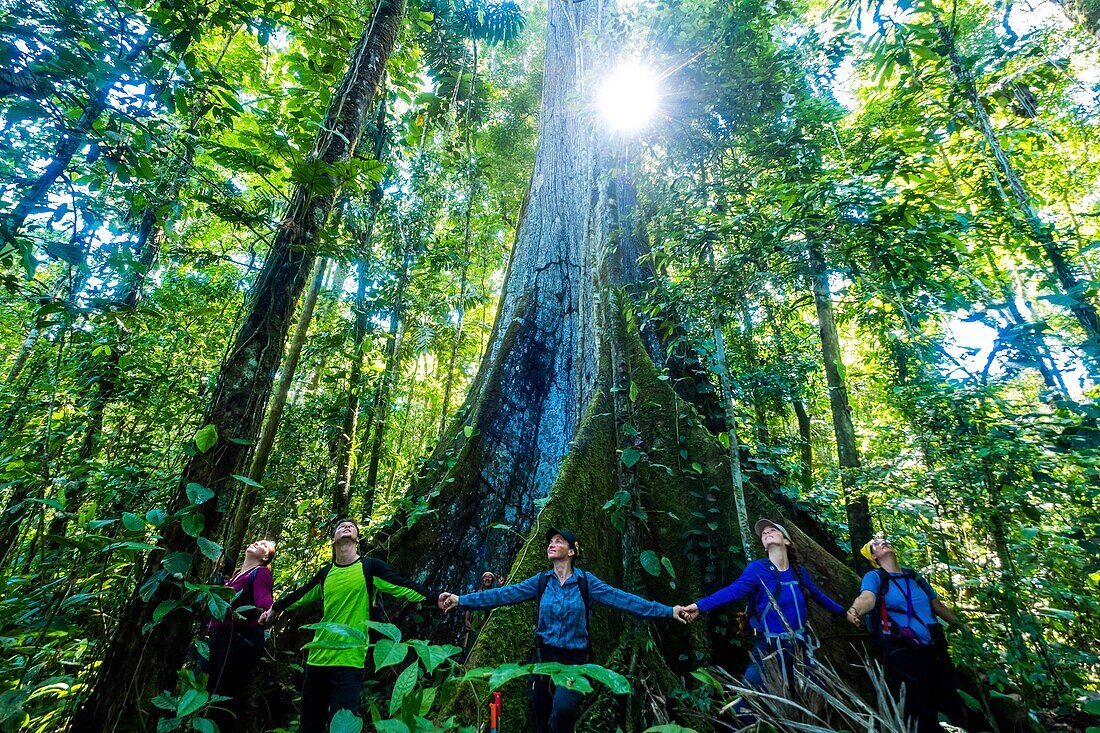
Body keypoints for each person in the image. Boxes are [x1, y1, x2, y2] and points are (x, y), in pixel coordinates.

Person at [439, 528, 689, 733]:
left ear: (571, 551)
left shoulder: (586, 583)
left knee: (561, 713)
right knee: (540, 722)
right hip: (541, 662)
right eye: (550, 541)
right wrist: (462, 600)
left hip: (573, 662)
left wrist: (668, 610)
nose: (551, 544)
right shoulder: (541, 581)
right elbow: (504, 594)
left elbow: (625, 600)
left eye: (558, 541)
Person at [259, 519, 439, 733]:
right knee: (309, 726)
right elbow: (301, 594)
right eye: (340, 526)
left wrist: (435, 598)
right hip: (318, 660)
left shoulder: (369, 568)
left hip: (349, 662)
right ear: (333, 539)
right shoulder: (325, 574)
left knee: (343, 728)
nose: (346, 526)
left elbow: (403, 586)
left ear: (357, 538)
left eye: (351, 526)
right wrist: (275, 608)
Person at [680, 519, 845, 696]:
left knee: (813, 695)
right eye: (763, 533)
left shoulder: (799, 571)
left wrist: (844, 613)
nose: (766, 533)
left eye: (772, 530)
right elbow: (733, 591)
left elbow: (818, 596)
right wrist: (699, 606)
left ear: (787, 541)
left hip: (800, 646)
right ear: (764, 546)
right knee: (748, 700)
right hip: (768, 648)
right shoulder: (757, 569)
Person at [845, 536, 967, 733]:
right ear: (874, 556)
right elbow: (867, 597)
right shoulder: (875, 577)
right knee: (920, 705)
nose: (882, 542)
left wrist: (962, 627)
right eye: (876, 544)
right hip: (903, 650)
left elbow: (937, 605)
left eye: (884, 540)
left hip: (936, 649)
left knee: (950, 701)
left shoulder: (914, 576)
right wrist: (854, 610)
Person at [199, 539, 275, 731]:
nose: (258, 542)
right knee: (206, 690)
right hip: (219, 637)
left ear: (265, 557)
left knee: (224, 697)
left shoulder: (262, 573)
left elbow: (264, 606)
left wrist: (266, 615)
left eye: (264, 545)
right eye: (258, 540)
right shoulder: (234, 576)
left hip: (238, 641)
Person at [463, 571, 497, 653]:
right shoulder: (476, 592)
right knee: (470, 647)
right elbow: (469, 606)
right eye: (485, 577)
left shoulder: (495, 593)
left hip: (485, 625)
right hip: (474, 624)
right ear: (482, 580)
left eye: (490, 577)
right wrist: (466, 619)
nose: (487, 579)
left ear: (492, 580)